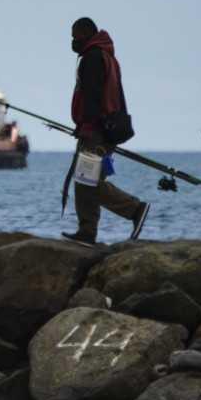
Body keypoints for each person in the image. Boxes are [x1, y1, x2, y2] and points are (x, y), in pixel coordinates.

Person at [63, 17, 156, 244]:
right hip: (103, 130)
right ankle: (87, 232)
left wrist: (87, 126)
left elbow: (93, 99)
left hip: (95, 133)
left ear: (86, 34)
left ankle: (135, 209)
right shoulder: (107, 56)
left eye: (75, 37)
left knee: (89, 182)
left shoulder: (93, 58)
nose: (72, 41)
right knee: (85, 181)